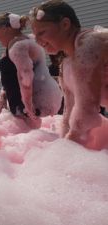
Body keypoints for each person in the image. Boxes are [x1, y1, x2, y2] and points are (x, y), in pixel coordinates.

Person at [30, 0, 108, 147]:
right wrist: (63, 148)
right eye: (35, 36)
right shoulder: (67, 63)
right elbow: (69, 112)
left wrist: (65, 150)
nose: (38, 41)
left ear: (65, 24)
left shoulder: (90, 43)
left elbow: (86, 113)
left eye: (42, 33)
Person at [0, 12, 62, 128]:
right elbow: (13, 73)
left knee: (26, 137)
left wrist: (28, 107)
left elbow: (26, 78)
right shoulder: (25, 41)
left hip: (26, 102)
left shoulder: (19, 45)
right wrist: (4, 93)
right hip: (32, 97)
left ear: (5, 28)